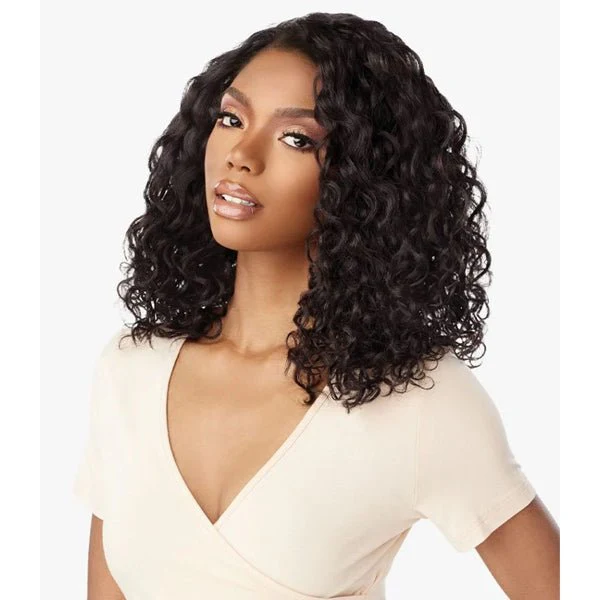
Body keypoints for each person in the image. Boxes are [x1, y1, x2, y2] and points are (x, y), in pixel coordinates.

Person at [73, 11, 559, 599]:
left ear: (365, 178)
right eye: (231, 118)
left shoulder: (418, 400)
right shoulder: (130, 370)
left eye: (296, 138)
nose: (241, 154)